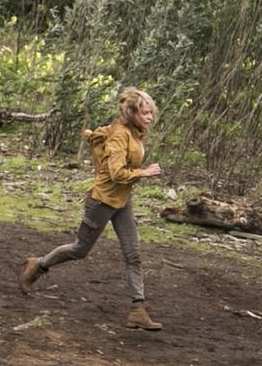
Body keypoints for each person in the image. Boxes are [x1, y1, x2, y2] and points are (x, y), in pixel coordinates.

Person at [19, 87, 165, 330]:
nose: (149, 117)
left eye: (151, 112)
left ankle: (137, 309)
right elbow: (117, 173)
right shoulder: (120, 135)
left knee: (133, 254)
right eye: (144, 113)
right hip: (102, 201)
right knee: (80, 249)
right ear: (131, 113)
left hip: (122, 201)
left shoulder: (135, 131)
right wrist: (145, 172)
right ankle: (39, 264)